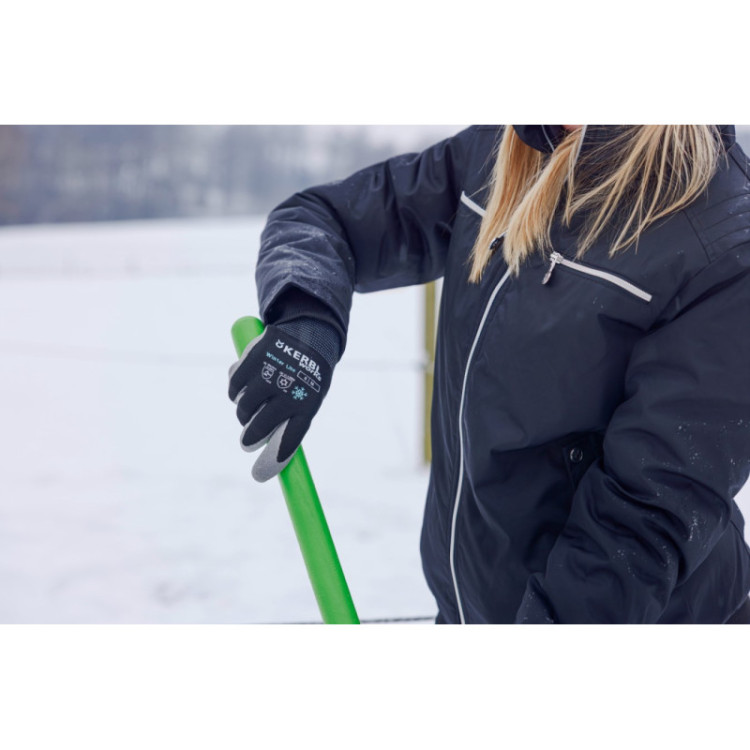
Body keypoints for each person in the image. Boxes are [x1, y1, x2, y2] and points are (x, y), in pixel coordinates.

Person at [228, 125, 750, 624]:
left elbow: (645, 517)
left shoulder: (725, 240)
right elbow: (322, 218)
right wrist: (308, 326)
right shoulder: (500, 150)